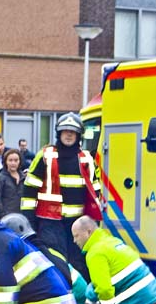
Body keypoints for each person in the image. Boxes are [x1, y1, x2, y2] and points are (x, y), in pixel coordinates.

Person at [21, 113, 103, 280]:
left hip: (78, 222)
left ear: (79, 135)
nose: (68, 134)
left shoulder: (86, 159)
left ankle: (79, 295)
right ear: (58, 133)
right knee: (55, 258)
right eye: (65, 131)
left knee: (79, 260)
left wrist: (94, 220)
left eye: (72, 132)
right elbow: (29, 190)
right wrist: (29, 220)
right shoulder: (45, 155)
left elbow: (95, 191)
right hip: (50, 221)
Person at [0, 149, 24, 216]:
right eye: (10, 160)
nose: (13, 163)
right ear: (5, 162)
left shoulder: (24, 177)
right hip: (5, 217)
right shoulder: (0, 178)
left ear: (20, 162)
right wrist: (3, 214)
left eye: (16, 160)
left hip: (22, 217)